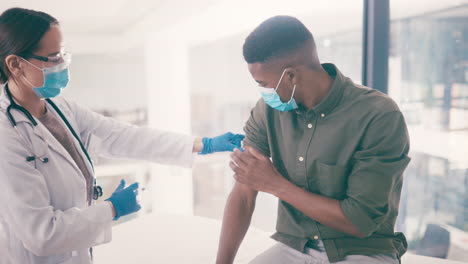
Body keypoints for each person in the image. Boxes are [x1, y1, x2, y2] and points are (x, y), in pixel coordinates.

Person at [0, 8, 244, 264]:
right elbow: (42, 235)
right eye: (53, 57)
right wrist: (112, 209)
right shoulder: (6, 134)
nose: (61, 64)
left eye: (63, 54)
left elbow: (123, 136)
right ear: (16, 64)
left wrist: (201, 144)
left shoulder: (60, 108)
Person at [216, 16, 410, 264]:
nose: (263, 92)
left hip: (362, 250)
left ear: (291, 77)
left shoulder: (378, 115)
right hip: (294, 246)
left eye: (263, 83)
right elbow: (244, 192)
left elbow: (359, 221)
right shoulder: (267, 111)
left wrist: (276, 184)